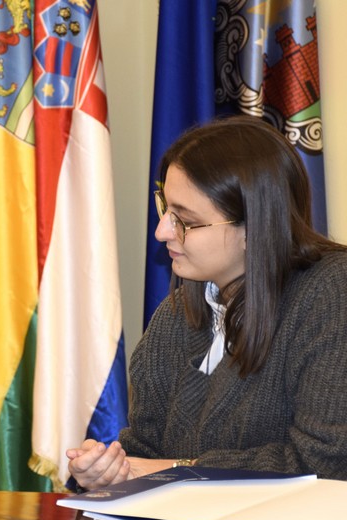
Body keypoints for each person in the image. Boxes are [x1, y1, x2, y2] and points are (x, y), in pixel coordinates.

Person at [67, 116, 347, 490]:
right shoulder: (174, 315)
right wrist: (108, 472)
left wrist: (179, 469)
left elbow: (324, 464)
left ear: (255, 228)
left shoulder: (331, 292)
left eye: (185, 220)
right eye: (165, 208)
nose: (162, 232)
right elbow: (144, 454)